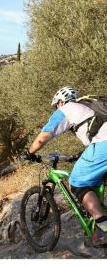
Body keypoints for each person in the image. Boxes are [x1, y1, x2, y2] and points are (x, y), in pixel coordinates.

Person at [24, 86, 107, 247]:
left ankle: (102, 226)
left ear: (61, 102)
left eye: (56, 106)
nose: (56, 109)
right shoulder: (87, 106)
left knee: (77, 182)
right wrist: (79, 154)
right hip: (101, 145)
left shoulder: (66, 109)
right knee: (94, 180)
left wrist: (29, 152)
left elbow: (42, 138)